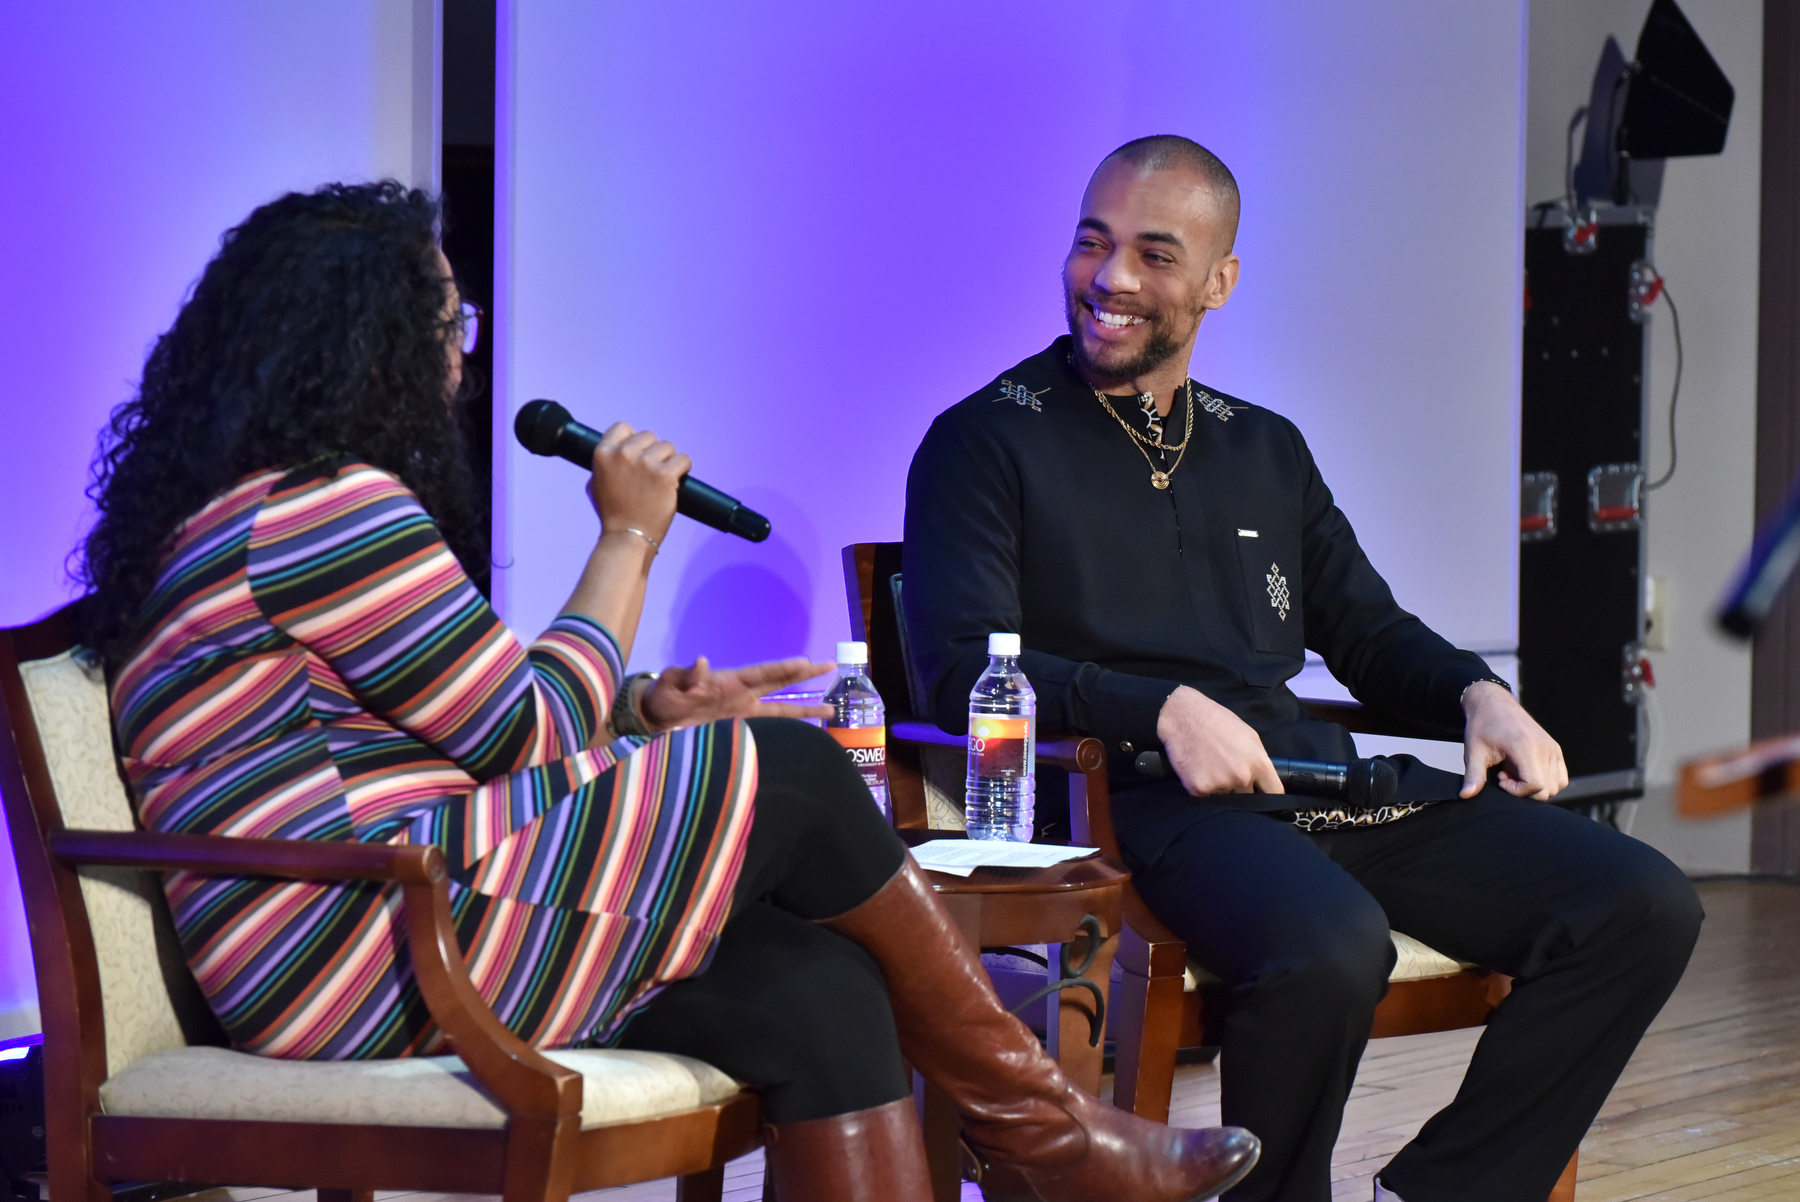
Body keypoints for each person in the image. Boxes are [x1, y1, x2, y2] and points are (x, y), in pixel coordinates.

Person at [79, 182, 1258, 1202]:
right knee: (793, 770)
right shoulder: (322, 509)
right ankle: (1048, 1134)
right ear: (368, 342)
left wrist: (645, 712)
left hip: (365, 925)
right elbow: (524, 728)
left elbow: (469, 721)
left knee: (820, 991)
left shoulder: (239, 515)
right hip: (362, 941)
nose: (463, 350)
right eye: (448, 319)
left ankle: (1043, 1139)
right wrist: (628, 539)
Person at [902, 137, 1704, 1202]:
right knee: (1329, 941)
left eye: (1155, 253)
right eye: (1094, 243)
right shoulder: (981, 441)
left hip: (1318, 788)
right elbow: (958, 670)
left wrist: (1479, 690)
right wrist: (1159, 709)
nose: (1112, 279)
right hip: (1135, 801)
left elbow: (1367, 628)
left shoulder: (1263, 448)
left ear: (1220, 281)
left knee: (1641, 900)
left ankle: (1439, 1189)